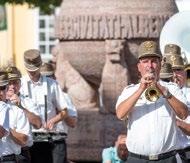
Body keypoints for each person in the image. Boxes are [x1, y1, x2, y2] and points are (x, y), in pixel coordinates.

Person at [116, 41, 188, 163]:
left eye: (154, 61)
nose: (150, 65)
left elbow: (183, 114)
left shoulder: (172, 89)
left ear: (160, 65)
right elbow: (120, 114)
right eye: (145, 61)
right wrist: (141, 89)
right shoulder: (130, 90)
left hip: (167, 159)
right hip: (137, 159)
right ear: (139, 66)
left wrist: (164, 91)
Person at [20, 49, 74, 163]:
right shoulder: (20, 84)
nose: (31, 72)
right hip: (29, 138)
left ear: (39, 66)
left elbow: (64, 111)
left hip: (50, 137)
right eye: (29, 70)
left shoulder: (52, 84)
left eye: (34, 70)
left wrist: (54, 120)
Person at [40, 62, 78, 163]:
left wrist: (61, 112)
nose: (46, 80)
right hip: (39, 140)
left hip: (58, 140)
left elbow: (73, 123)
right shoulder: (35, 96)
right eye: (43, 77)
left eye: (49, 76)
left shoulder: (64, 96)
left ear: (54, 77)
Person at [6, 66, 42, 163]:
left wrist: (20, 106)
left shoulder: (27, 101)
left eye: (15, 82)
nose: (12, 86)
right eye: (9, 83)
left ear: (20, 84)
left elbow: (38, 124)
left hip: (23, 153)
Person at [163, 44, 190, 162]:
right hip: (162, 156)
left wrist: (175, 121)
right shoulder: (156, 91)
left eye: (178, 70)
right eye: (170, 70)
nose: (174, 75)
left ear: (185, 72)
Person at [0, 70, 30, 162]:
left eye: (2, 88)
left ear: (6, 89)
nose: (0, 93)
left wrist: (8, 129)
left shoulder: (16, 110)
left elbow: (24, 140)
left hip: (9, 159)